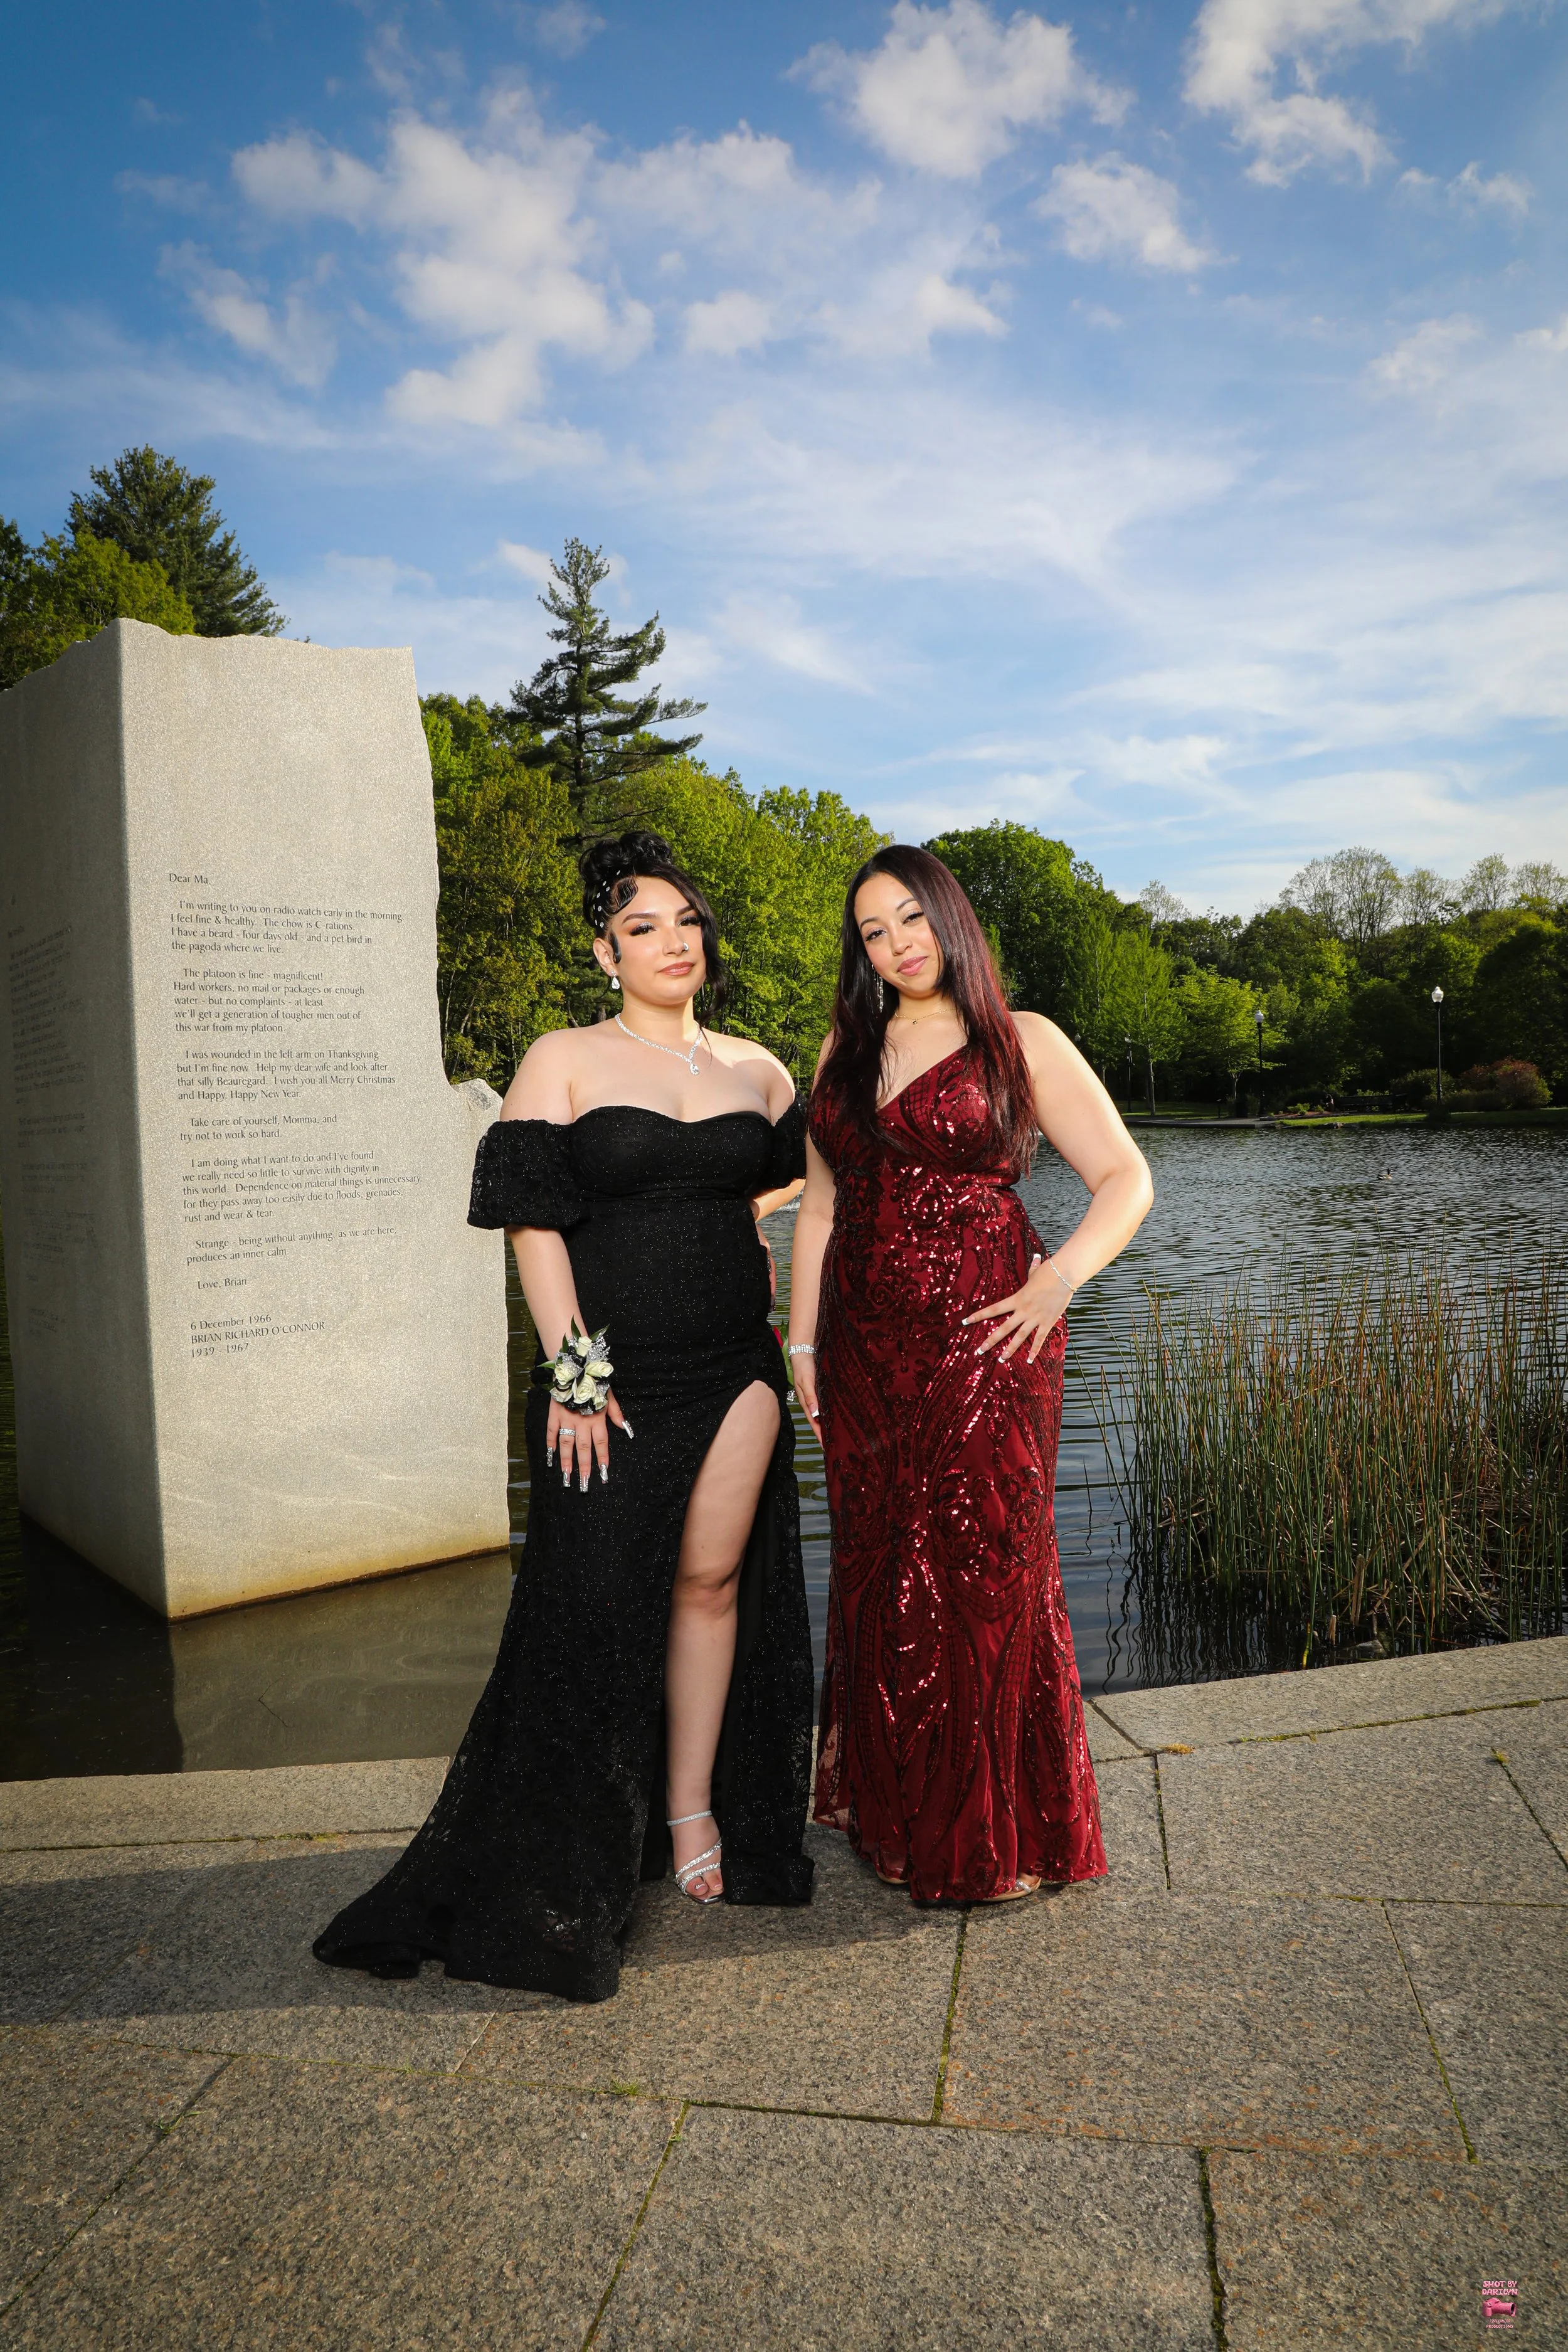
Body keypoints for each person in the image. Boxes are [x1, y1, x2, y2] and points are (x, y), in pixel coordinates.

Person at [315, 831, 815, 2001]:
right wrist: (575, 1375)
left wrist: (751, 1227)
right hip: (611, 1375)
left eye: (688, 921)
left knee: (711, 1581)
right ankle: (566, 1861)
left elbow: (800, 1178)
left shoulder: (761, 1070)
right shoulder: (565, 1059)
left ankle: (690, 1809)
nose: (674, 942)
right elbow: (535, 1226)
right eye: (645, 927)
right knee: (588, 1608)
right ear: (607, 950)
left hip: (736, 1367)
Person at [788, 845, 1153, 1904]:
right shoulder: (842, 1050)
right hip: (862, 1351)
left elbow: (1126, 1176)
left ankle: (1000, 1835)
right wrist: (802, 1344)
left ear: (950, 918)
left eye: (910, 917)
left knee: (985, 1567)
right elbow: (818, 1211)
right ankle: (902, 1819)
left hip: (993, 1339)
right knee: (882, 1566)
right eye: (873, 932)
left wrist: (1062, 1281)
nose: (897, 943)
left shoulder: (1019, 1038)